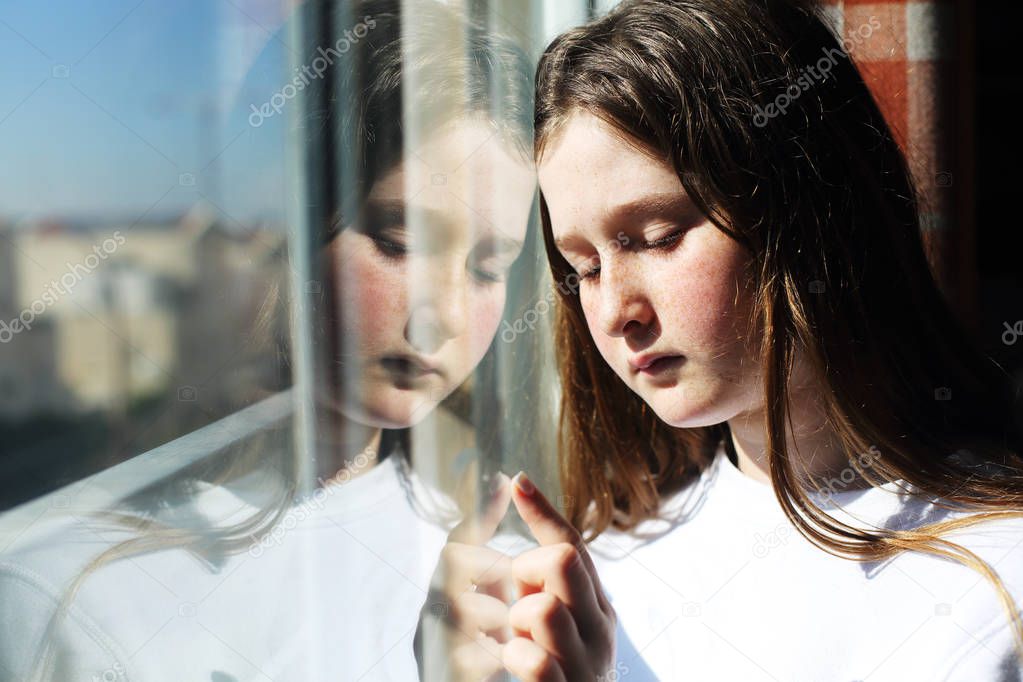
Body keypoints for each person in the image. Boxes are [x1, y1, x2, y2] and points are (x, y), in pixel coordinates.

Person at [427, 0, 1023, 680]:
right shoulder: (594, 591)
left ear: (802, 209)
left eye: (658, 237)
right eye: (582, 268)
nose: (618, 309)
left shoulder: (996, 577)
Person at [0, 1, 542, 680]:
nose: (446, 316)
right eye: (397, 243)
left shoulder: (504, 576)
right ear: (277, 226)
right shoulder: (73, 598)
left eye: (488, 267)